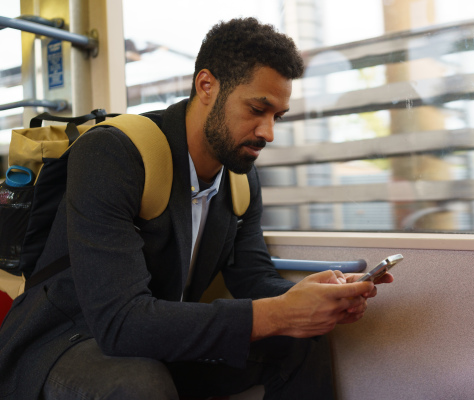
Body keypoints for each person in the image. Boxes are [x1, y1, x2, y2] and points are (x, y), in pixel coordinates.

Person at [0, 17, 392, 400]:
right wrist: (280, 314)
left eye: (277, 116)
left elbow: (252, 277)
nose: (268, 132)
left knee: (300, 340)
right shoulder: (112, 155)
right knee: (137, 383)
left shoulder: (239, 176)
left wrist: (312, 300)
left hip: (156, 333)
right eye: (257, 109)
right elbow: (121, 323)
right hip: (67, 339)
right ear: (206, 85)